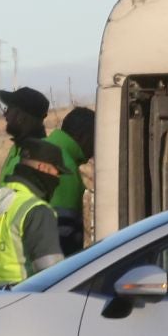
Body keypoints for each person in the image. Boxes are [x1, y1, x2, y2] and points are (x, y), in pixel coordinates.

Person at [0, 138, 66, 290]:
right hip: (24, 302)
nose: (58, 178)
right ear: (43, 168)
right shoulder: (37, 210)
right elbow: (53, 276)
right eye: (57, 172)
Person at [0, 86, 53, 240]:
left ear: (21, 116)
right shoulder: (18, 150)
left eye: (10, 109)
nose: (5, 114)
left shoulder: (37, 156)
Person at [47, 106, 94, 256]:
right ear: (84, 137)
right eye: (95, 140)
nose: (94, 150)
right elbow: (63, 237)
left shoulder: (36, 149)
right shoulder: (65, 169)